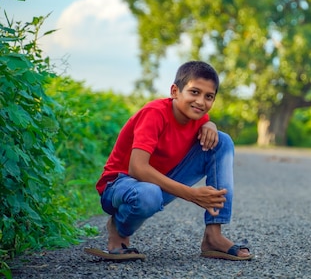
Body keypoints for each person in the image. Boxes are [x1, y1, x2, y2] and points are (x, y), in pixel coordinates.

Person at [84, 61, 252, 261]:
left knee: (222, 141)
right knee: (149, 193)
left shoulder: (199, 119)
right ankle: (118, 232)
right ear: (175, 91)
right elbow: (137, 168)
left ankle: (213, 236)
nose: (200, 102)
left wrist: (211, 124)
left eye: (209, 97)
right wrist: (191, 194)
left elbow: (206, 123)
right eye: (194, 92)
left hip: (157, 183)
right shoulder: (154, 113)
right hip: (120, 185)